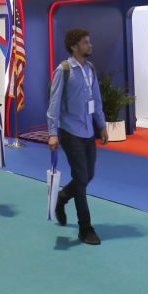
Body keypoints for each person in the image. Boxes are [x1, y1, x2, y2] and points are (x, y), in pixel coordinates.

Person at [47, 28, 108, 245]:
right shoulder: (63, 70)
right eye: (85, 42)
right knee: (81, 179)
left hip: (88, 131)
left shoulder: (90, 68)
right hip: (70, 132)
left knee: (88, 175)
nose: (90, 45)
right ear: (74, 46)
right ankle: (85, 228)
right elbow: (54, 103)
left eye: (89, 41)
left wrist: (102, 125)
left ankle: (62, 197)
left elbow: (96, 100)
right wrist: (52, 133)